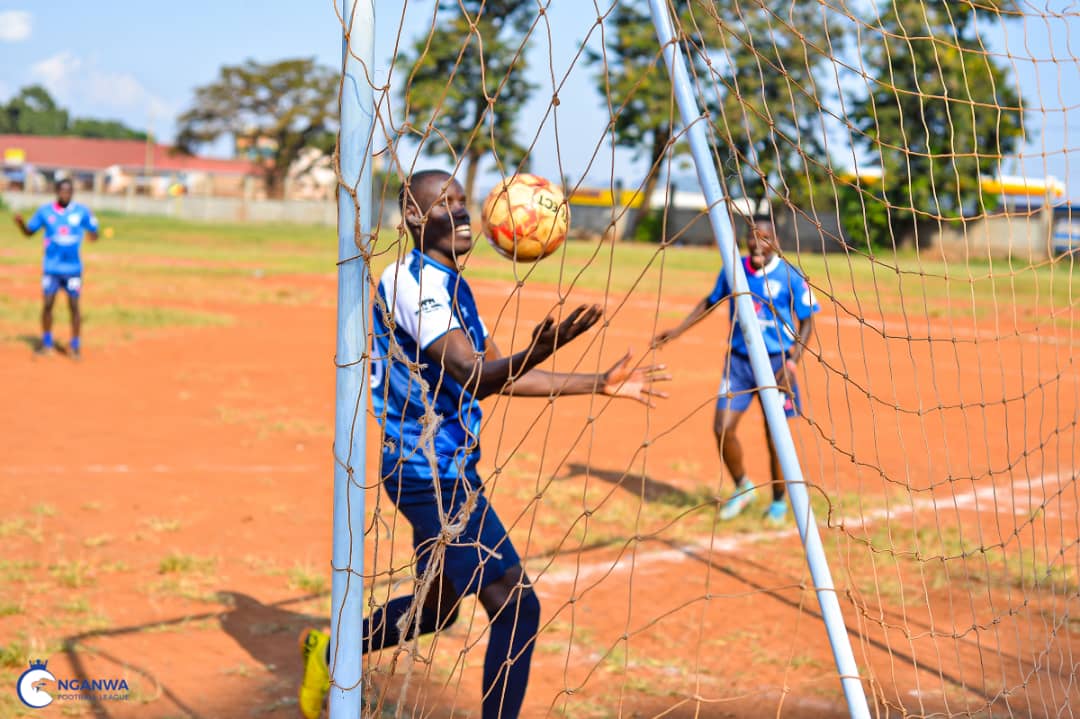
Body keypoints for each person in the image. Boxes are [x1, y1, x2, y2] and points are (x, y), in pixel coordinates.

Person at [297, 169, 668, 719]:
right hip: (427, 473)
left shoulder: (450, 283)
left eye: (463, 201)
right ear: (415, 219)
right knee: (517, 608)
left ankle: (331, 650)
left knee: (439, 608)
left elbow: (503, 375)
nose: (463, 212)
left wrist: (599, 383)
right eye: (444, 203)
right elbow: (472, 372)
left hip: (447, 470)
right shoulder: (411, 282)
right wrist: (536, 351)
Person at [653, 214, 819, 527]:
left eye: (764, 238)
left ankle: (780, 503)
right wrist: (677, 330)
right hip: (740, 362)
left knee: (776, 437)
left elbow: (807, 321)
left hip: (776, 364)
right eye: (752, 237)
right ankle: (743, 487)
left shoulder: (791, 275)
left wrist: (793, 361)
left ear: (776, 242)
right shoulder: (736, 269)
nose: (757, 244)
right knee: (721, 427)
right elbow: (711, 301)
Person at [13, 178, 100, 358]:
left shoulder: (81, 211)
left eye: (68, 191)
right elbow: (29, 232)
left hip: (73, 269)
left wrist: (94, 231)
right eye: (62, 191)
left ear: (72, 193)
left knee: (74, 307)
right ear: (56, 192)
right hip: (51, 268)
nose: (65, 194)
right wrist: (21, 224)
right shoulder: (45, 212)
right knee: (47, 305)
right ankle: (47, 344)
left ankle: (75, 346)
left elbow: (94, 233)